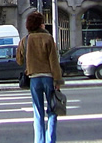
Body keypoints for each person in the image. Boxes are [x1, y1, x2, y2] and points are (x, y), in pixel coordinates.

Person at [16, 11, 63, 143]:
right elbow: (54, 61)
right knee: (53, 110)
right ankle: (50, 140)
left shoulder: (25, 40)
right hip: (49, 78)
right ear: (41, 24)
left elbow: (19, 60)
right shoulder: (48, 39)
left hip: (34, 79)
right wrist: (57, 80)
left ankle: (39, 141)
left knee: (38, 113)